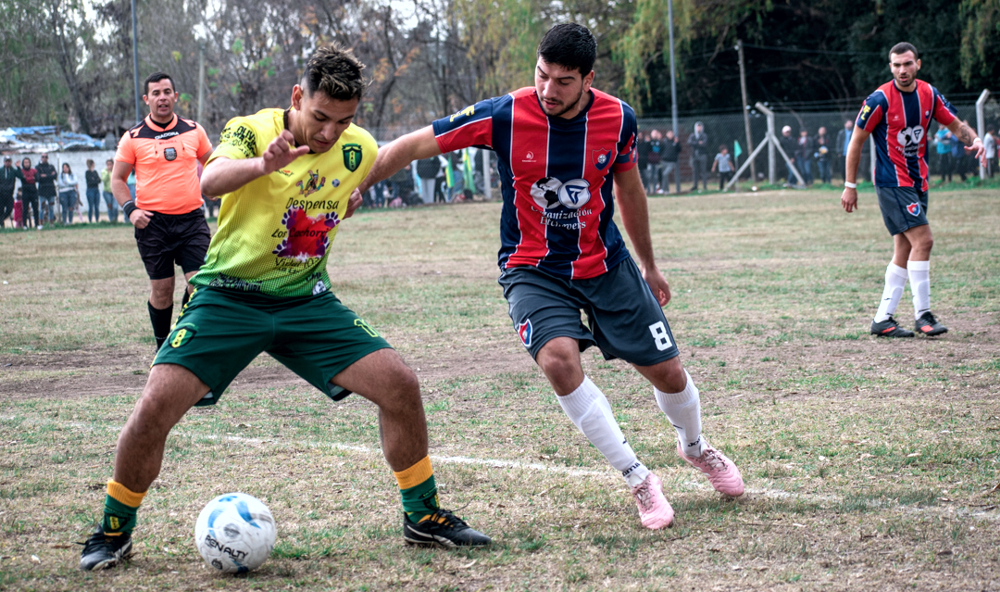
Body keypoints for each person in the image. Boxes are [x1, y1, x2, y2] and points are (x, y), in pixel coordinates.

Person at [77, 44, 491, 572]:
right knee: (153, 410)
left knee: (400, 385)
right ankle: (115, 530)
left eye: (343, 121)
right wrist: (261, 165)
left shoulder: (354, 146)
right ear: (297, 97)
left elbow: (374, 164)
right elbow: (209, 180)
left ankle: (423, 516)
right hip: (228, 296)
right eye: (320, 117)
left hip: (306, 300)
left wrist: (354, 193)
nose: (329, 132)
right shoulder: (252, 129)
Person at [356, 23, 744, 531]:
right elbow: (411, 145)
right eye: (541, 75)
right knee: (559, 362)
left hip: (605, 264)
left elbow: (629, 191)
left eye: (563, 81)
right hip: (531, 269)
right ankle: (638, 478)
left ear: (588, 78)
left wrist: (648, 264)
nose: (548, 90)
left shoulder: (618, 117)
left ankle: (695, 449)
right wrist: (355, 188)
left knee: (668, 373)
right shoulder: (504, 114)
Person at [841, 42, 985, 338]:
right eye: (896, 65)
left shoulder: (928, 94)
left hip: (918, 182)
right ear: (890, 67)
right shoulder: (879, 99)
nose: (902, 70)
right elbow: (856, 141)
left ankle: (882, 320)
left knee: (905, 248)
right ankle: (923, 315)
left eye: (907, 64)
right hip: (892, 182)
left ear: (917, 63)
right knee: (924, 240)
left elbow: (956, 125)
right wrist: (850, 186)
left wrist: (975, 139)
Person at [111, 72, 214, 351]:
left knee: (200, 285)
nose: (162, 98)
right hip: (152, 225)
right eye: (156, 93)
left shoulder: (194, 130)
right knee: (162, 290)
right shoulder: (133, 137)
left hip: (192, 221)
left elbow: (214, 164)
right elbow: (117, 180)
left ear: (175, 96)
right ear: (147, 99)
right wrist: (131, 210)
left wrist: (215, 186)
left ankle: (183, 338)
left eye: (167, 92)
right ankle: (161, 348)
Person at [36, 153, 57, 228]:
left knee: (51, 207)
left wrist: (46, 175)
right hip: (42, 190)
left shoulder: (51, 167)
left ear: (47, 158)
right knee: (42, 207)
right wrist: (49, 175)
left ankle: (51, 223)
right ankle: (41, 224)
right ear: (41, 158)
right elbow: (38, 178)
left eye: (46, 157)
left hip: (51, 189)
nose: (44, 158)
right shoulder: (38, 167)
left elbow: (54, 175)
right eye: (43, 157)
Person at [1, 156, 23, 228]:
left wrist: (18, 168)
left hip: (9, 194)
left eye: (9, 161)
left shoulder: (13, 171)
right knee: (0, 209)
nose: (7, 163)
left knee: (10, 208)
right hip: (1, 194)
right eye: (6, 161)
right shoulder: (1, 170)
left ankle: (1, 220)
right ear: (4, 162)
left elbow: (21, 176)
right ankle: (2, 225)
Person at [688, 122, 709, 191]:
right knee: (695, 172)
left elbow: (704, 144)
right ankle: (695, 186)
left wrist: (695, 143)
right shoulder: (692, 135)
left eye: (700, 127)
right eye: (697, 127)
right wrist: (698, 142)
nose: (699, 128)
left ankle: (705, 186)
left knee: (703, 171)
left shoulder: (704, 135)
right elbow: (689, 143)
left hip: (702, 155)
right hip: (694, 156)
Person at [19, 157, 38, 229]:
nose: (27, 164)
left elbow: (37, 178)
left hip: (33, 191)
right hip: (25, 192)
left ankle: (37, 224)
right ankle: (25, 225)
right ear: (23, 164)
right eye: (25, 163)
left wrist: (27, 179)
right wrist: (31, 178)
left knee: (35, 208)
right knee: (25, 209)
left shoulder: (34, 170)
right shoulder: (21, 171)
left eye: (28, 162)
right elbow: (23, 180)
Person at [661, 129, 682, 194]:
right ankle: (665, 190)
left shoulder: (675, 141)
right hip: (664, 161)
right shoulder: (664, 141)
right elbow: (660, 150)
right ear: (667, 134)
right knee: (664, 175)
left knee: (665, 174)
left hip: (672, 162)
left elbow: (679, 150)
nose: (670, 135)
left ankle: (665, 189)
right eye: (669, 134)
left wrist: (677, 143)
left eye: (671, 134)